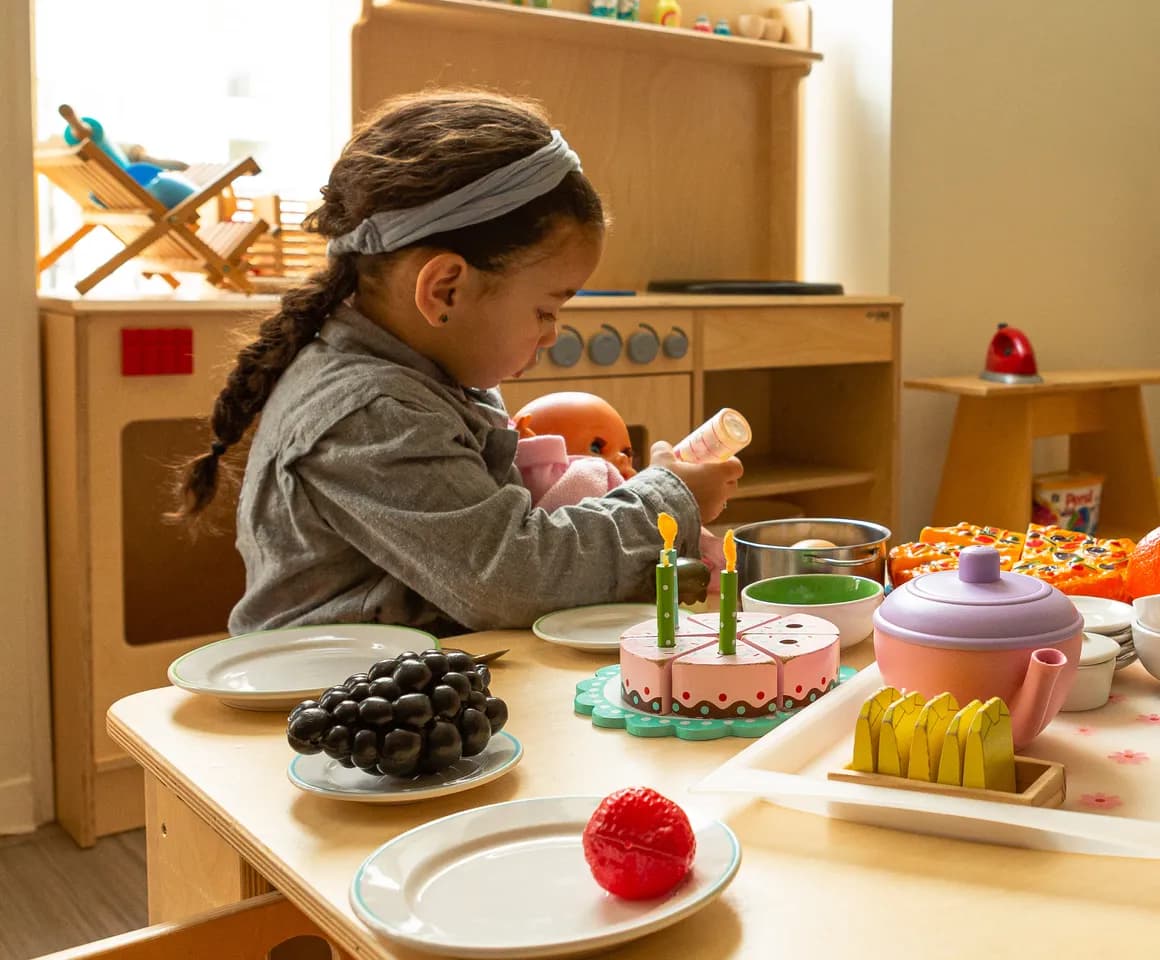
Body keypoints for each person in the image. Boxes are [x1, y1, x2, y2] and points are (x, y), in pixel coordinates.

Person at [174, 90, 742, 637]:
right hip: (336, 706)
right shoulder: (373, 415)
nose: (551, 334)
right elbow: (513, 576)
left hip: (415, 686)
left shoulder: (430, 376)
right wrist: (670, 501)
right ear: (445, 289)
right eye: (545, 310)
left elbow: (499, 539)